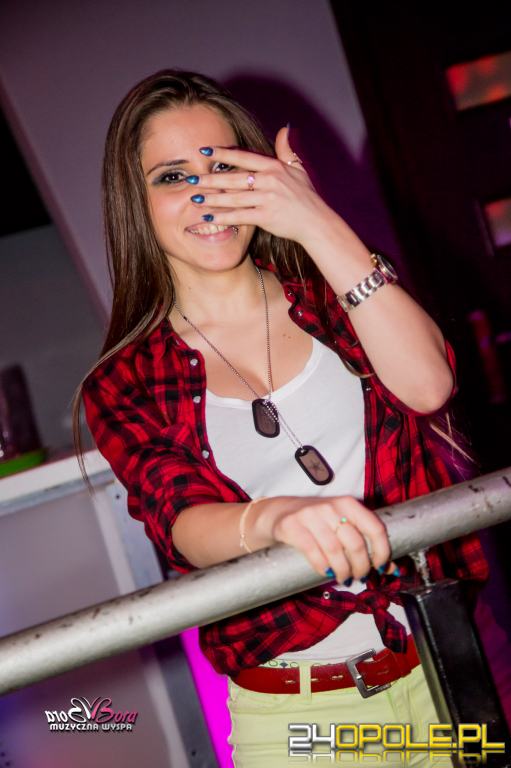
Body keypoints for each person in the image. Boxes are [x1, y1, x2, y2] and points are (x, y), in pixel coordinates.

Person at [74, 69, 489, 767]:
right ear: (134, 203)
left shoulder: (336, 292)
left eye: (222, 166)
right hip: (300, 721)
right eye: (173, 177)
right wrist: (272, 521)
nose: (205, 194)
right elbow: (181, 522)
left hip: (445, 667)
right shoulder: (125, 379)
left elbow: (428, 386)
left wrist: (315, 222)